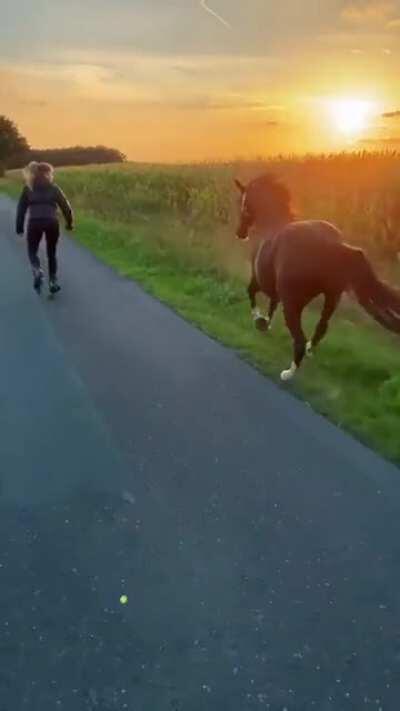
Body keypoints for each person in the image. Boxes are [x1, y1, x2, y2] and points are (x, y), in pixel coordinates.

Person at [16, 162, 74, 294]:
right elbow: (66, 206)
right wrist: (69, 223)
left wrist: (19, 227)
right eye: (51, 173)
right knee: (51, 253)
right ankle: (53, 281)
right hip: (51, 222)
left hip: (34, 222)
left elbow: (21, 209)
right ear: (48, 174)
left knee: (32, 251)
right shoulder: (54, 188)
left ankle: (37, 271)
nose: (52, 175)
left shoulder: (28, 188)